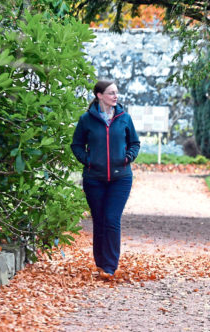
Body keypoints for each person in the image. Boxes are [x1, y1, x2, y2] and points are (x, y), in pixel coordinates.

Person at [71, 80, 140, 279]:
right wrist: (89, 161)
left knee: (111, 219)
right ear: (100, 95)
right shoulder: (86, 120)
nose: (115, 96)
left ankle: (110, 265)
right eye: (111, 93)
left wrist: (128, 157)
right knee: (99, 220)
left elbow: (134, 142)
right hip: (94, 179)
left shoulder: (124, 118)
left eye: (116, 93)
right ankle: (100, 263)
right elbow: (76, 145)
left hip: (121, 178)